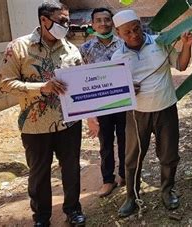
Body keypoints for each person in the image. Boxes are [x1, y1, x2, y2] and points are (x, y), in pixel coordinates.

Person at [0, 2, 86, 226]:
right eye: (62, 20)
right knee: (39, 174)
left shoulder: (71, 49)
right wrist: (41, 88)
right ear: (44, 20)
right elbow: (4, 84)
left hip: (69, 123)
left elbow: (83, 83)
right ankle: (42, 217)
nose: (66, 25)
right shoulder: (19, 48)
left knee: (72, 169)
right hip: (35, 126)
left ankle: (73, 210)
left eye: (67, 20)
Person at [110, 9, 192, 217]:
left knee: (168, 154)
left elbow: (181, 65)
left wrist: (187, 45)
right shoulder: (117, 56)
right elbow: (115, 89)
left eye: (136, 29)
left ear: (140, 24)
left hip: (165, 107)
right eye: (127, 32)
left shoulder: (160, 43)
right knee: (132, 158)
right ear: (118, 33)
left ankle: (167, 191)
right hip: (137, 113)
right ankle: (131, 197)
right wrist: (127, 87)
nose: (133, 35)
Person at [79, 7, 126, 198]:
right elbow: (81, 80)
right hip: (101, 106)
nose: (103, 23)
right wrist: (89, 114)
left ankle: (125, 174)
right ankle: (108, 180)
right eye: (98, 20)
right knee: (105, 144)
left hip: (123, 102)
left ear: (112, 23)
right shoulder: (85, 49)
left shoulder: (124, 44)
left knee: (125, 140)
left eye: (106, 20)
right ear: (92, 24)